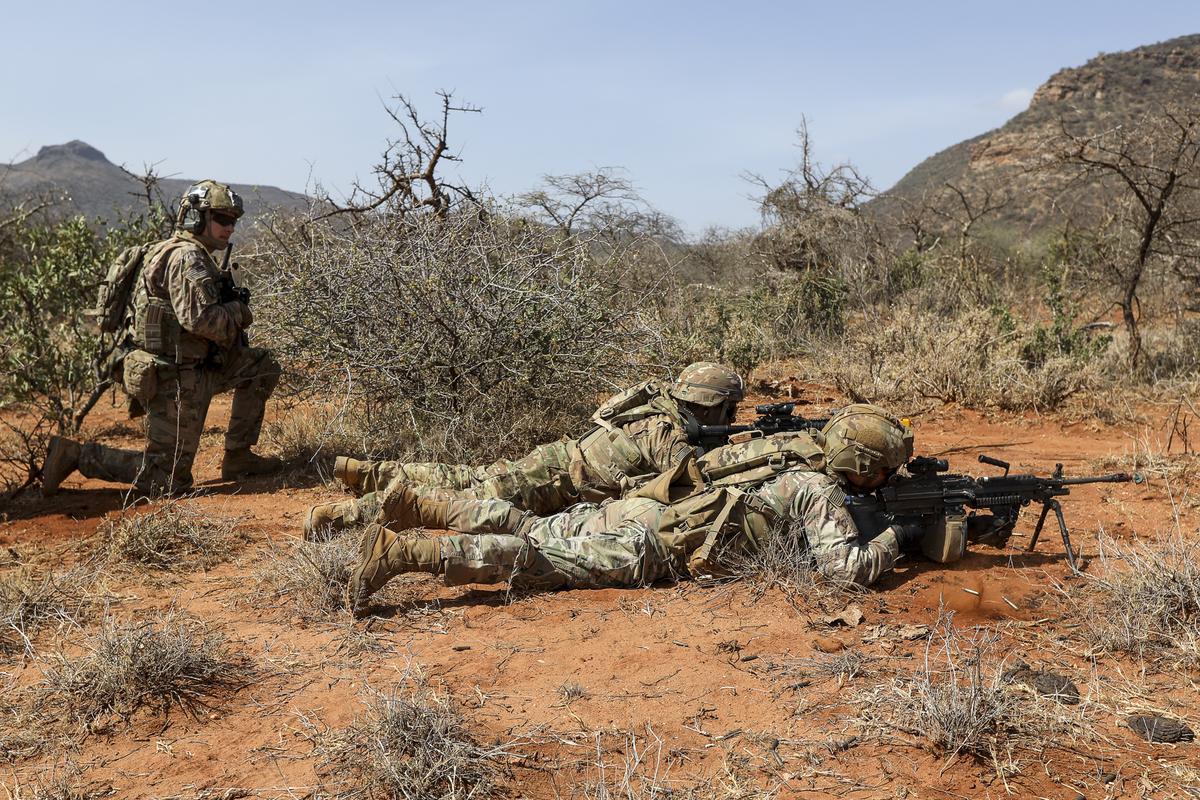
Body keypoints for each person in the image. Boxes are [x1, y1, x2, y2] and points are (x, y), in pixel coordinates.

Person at [345, 403, 927, 618]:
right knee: (540, 557)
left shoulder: (773, 450)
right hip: (655, 544)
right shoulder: (814, 490)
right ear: (865, 466)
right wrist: (897, 537)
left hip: (638, 507)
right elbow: (844, 571)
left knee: (529, 525)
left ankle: (413, 503)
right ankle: (408, 551)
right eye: (885, 469)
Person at [304, 362, 745, 538]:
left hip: (556, 460)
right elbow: (696, 479)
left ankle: (366, 472)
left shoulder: (656, 405)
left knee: (468, 478)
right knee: (461, 497)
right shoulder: (666, 432)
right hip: (550, 484)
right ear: (713, 403)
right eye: (729, 409)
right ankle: (340, 517)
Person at [42, 181, 282, 497]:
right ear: (197, 217)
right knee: (166, 480)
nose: (230, 227)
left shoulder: (181, 251)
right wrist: (239, 311)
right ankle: (76, 456)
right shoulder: (187, 258)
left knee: (262, 366)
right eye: (222, 219)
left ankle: (238, 457)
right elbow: (200, 320)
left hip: (199, 366)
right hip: (175, 378)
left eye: (233, 220)